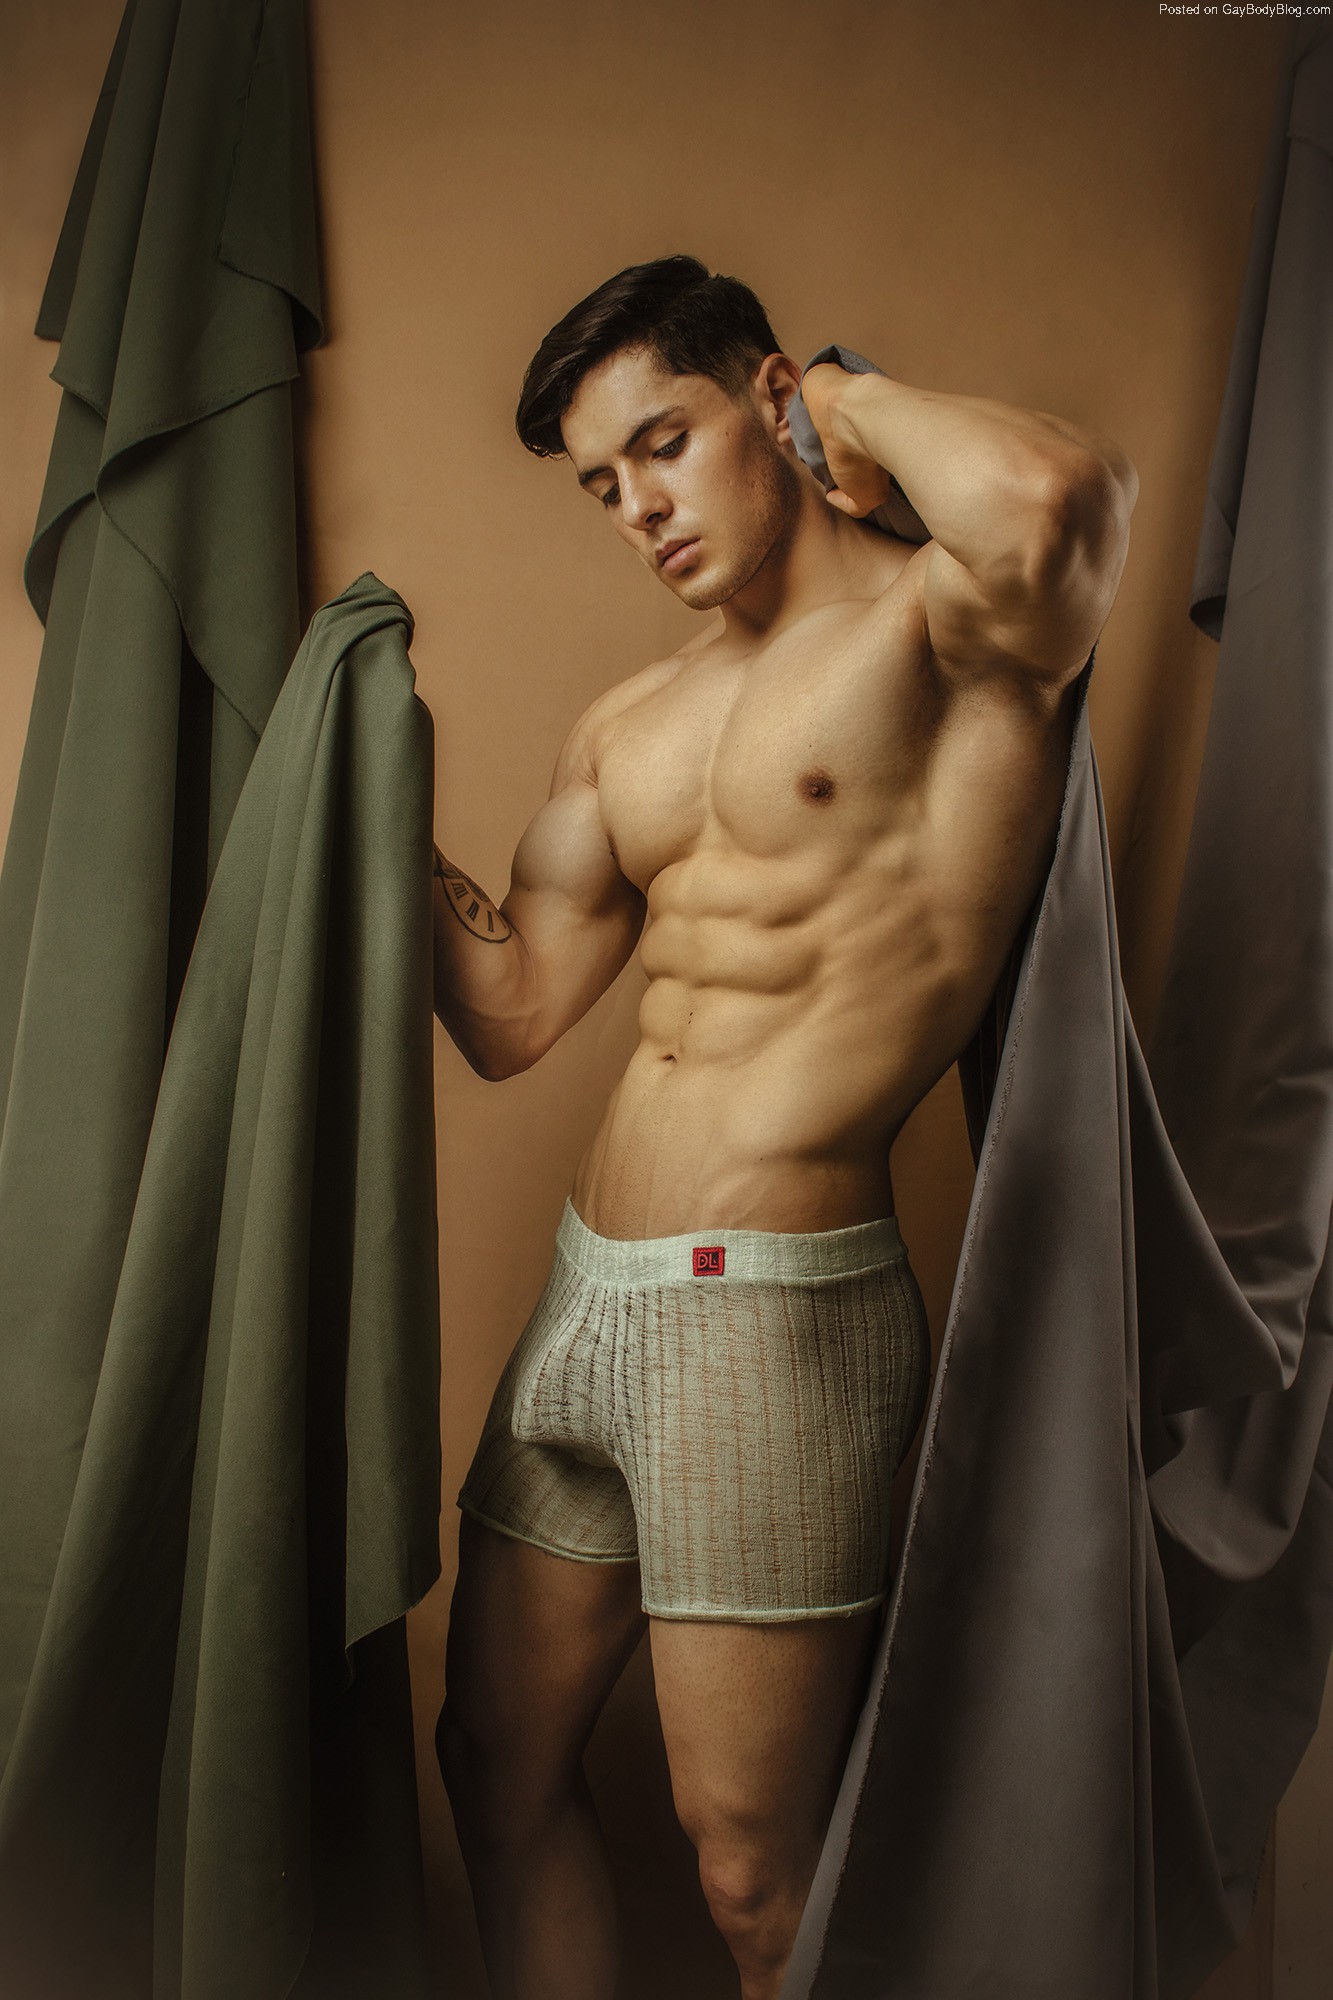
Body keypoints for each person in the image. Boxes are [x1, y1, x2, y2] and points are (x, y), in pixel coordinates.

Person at [431, 255, 1137, 2000]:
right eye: (602, 485)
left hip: (766, 1321)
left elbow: (1053, 503)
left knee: (753, 1875)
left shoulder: (948, 633)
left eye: (663, 444)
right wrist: (358, 784)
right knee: (492, 1770)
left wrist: (842, 396)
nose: (638, 509)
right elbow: (510, 1013)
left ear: (761, 398)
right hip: (584, 1304)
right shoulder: (629, 722)